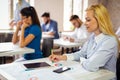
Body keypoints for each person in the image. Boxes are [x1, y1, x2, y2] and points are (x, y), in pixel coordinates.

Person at [49, 4, 120, 78]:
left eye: (88, 20)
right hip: (92, 75)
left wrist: (82, 60)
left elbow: (91, 65)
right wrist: (62, 57)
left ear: (100, 20)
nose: (85, 23)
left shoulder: (110, 41)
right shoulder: (92, 37)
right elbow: (81, 53)